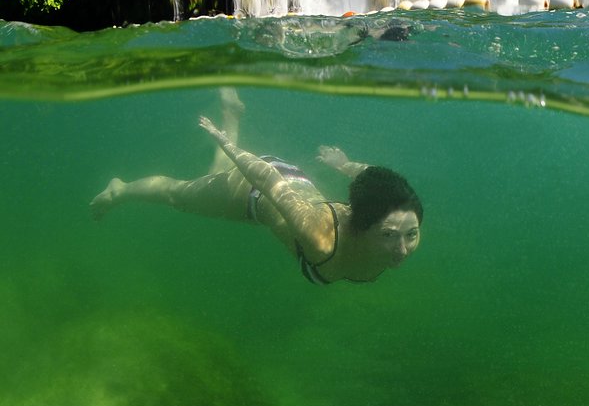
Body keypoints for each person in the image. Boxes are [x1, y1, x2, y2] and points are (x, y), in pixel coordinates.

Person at [90, 89, 422, 285]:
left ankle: (232, 115)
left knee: (214, 174)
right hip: (258, 188)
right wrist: (224, 143)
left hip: (294, 184)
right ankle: (120, 190)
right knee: (180, 195)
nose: (403, 249)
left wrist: (345, 165)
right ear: (364, 226)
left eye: (411, 235)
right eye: (390, 236)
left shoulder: (388, 212)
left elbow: (377, 180)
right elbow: (266, 179)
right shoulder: (321, 240)